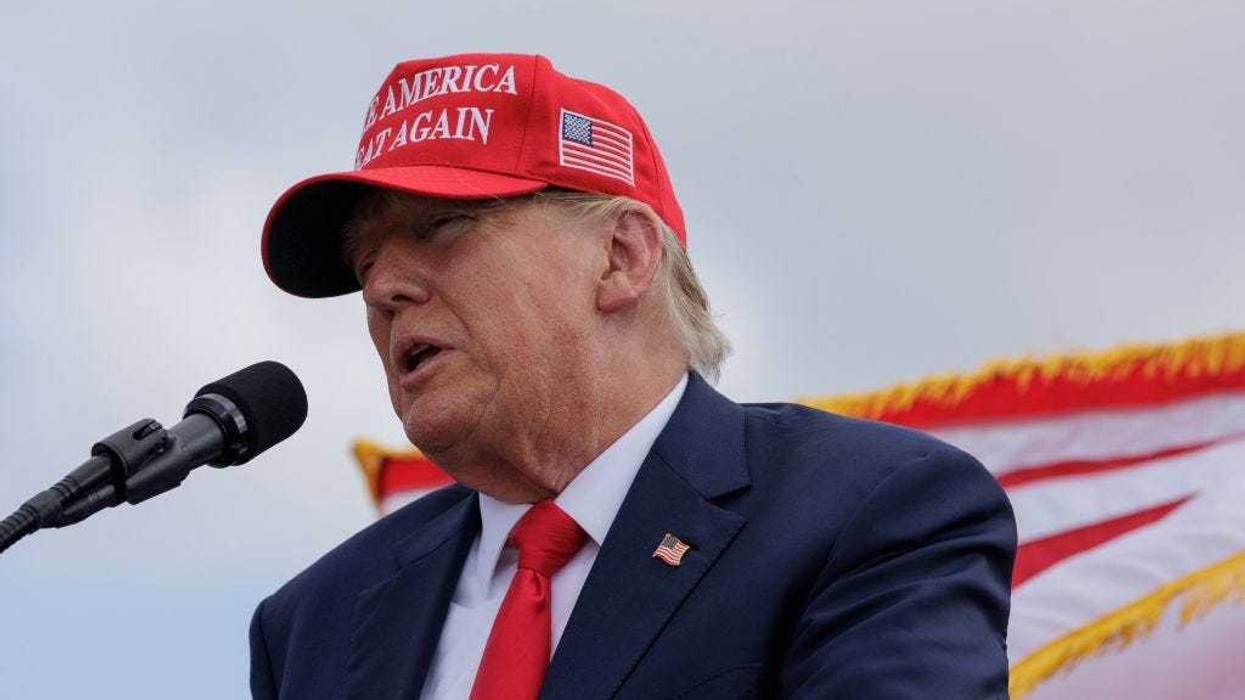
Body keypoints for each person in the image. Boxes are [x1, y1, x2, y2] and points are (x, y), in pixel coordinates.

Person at [249, 52, 1017, 700]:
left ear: (621, 257)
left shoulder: (869, 510)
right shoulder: (314, 621)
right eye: (365, 263)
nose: (384, 289)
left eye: (442, 227)